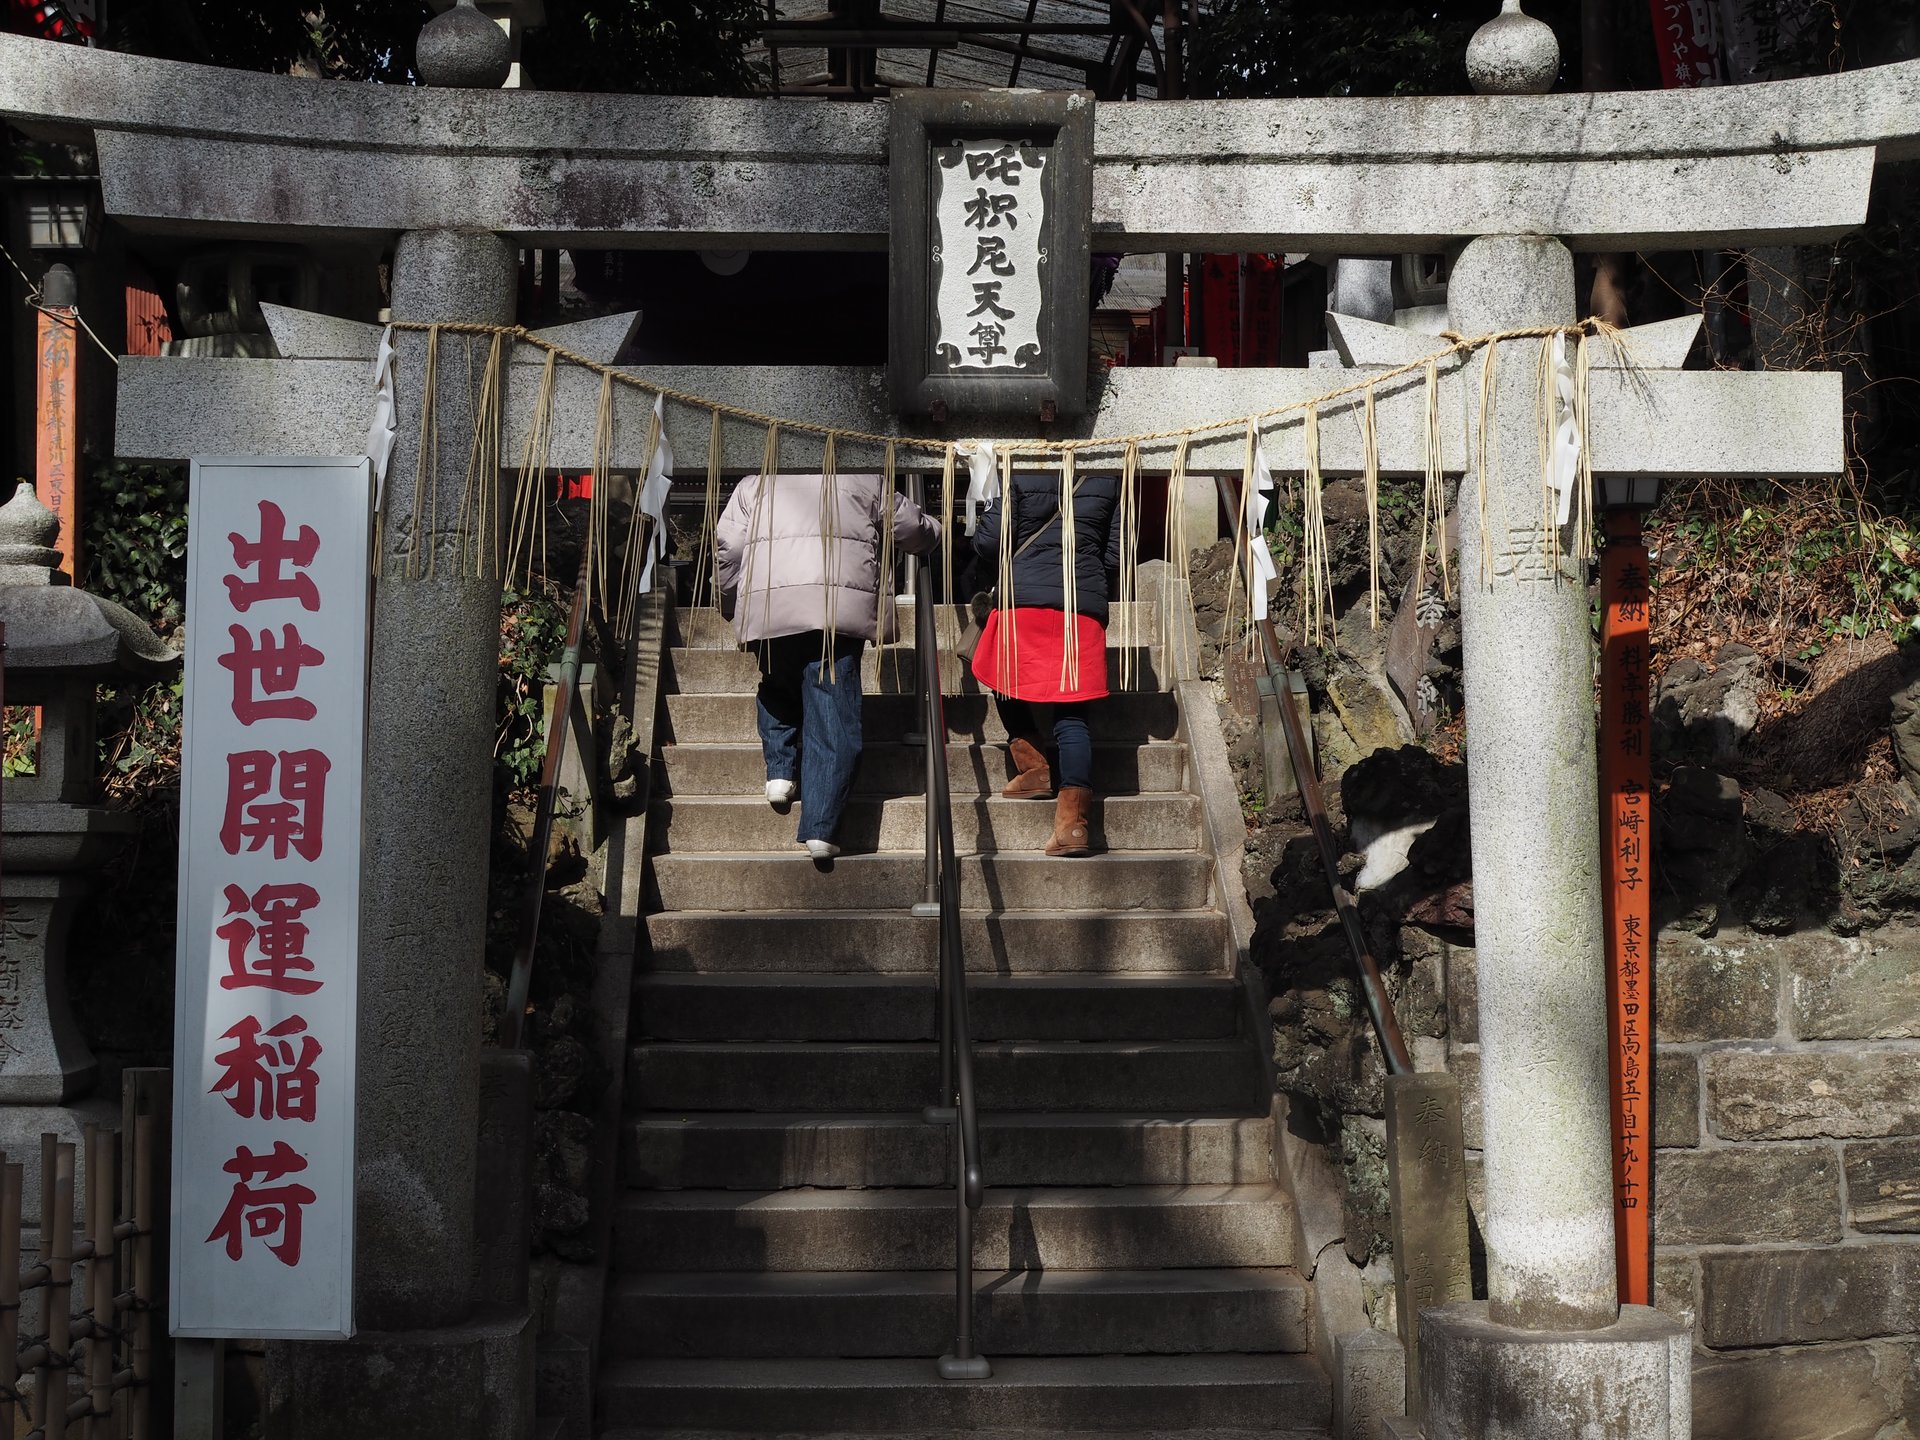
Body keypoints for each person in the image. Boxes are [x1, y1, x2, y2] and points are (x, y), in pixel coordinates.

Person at [715, 470, 941, 860]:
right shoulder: (866, 478)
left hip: (772, 604)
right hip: (838, 610)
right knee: (833, 712)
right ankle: (820, 828)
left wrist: (730, 599)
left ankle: (780, 773)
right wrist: (935, 530)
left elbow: (730, 546)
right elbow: (909, 528)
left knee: (776, 684)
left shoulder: (756, 482)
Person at [970, 465, 1123, 858]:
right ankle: (1074, 825)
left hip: (1022, 598)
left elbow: (990, 542)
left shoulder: (1021, 469)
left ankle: (1034, 766)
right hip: (1080, 603)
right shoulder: (1108, 473)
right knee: (1072, 714)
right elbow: (1115, 552)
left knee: (1005, 680)